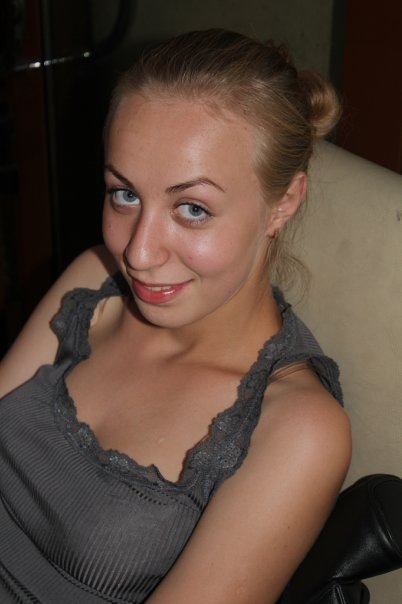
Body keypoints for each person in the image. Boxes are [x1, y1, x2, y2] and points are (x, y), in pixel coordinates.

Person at [0, 29, 351, 604]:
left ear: (283, 202)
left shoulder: (296, 429)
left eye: (192, 208)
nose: (138, 253)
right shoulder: (94, 283)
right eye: (124, 194)